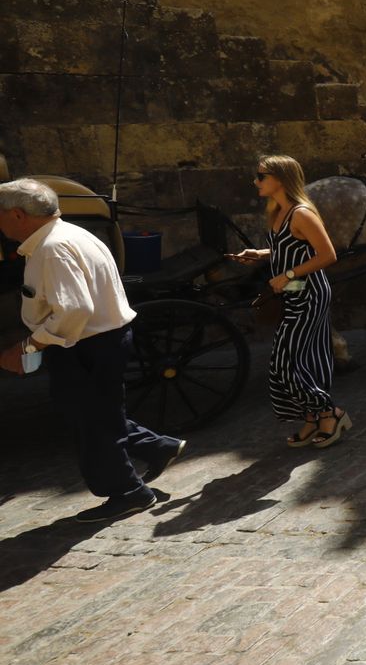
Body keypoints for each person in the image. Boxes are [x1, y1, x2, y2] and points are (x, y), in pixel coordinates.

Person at [0, 179, 186, 521]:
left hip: (86, 344)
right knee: (94, 412)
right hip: (99, 340)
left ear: (17, 215)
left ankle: (129, 492)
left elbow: (74, 310)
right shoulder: (69, 234)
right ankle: (157, 447)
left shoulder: (52, 248)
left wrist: (28, 345)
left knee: (91, 421)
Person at [230, 155, 346, 448]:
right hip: (293, 291)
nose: (255, 181)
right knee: (299, 359)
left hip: (309, 292)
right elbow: (287, 247)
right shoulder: (279, 212)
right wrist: (260, 254)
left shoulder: (301, 213)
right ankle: (312, 417)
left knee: (287, 362)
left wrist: (289, 274)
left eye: (261, 176)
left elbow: (328, 255)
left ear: (280, 179)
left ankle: (330, 414)